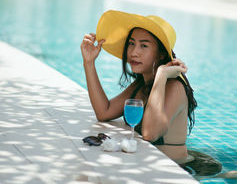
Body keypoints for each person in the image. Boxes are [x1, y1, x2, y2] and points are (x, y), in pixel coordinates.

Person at [80, 9, 197, 165]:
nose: (134, 52)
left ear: (161, 54)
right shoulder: (141, 85)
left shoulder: (174, 87)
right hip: (146, 165)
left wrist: (161, 75)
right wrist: (88, 63)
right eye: (131, 44)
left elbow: (150, 134)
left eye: (144, 46)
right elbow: (104, 112)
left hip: (179, 169)